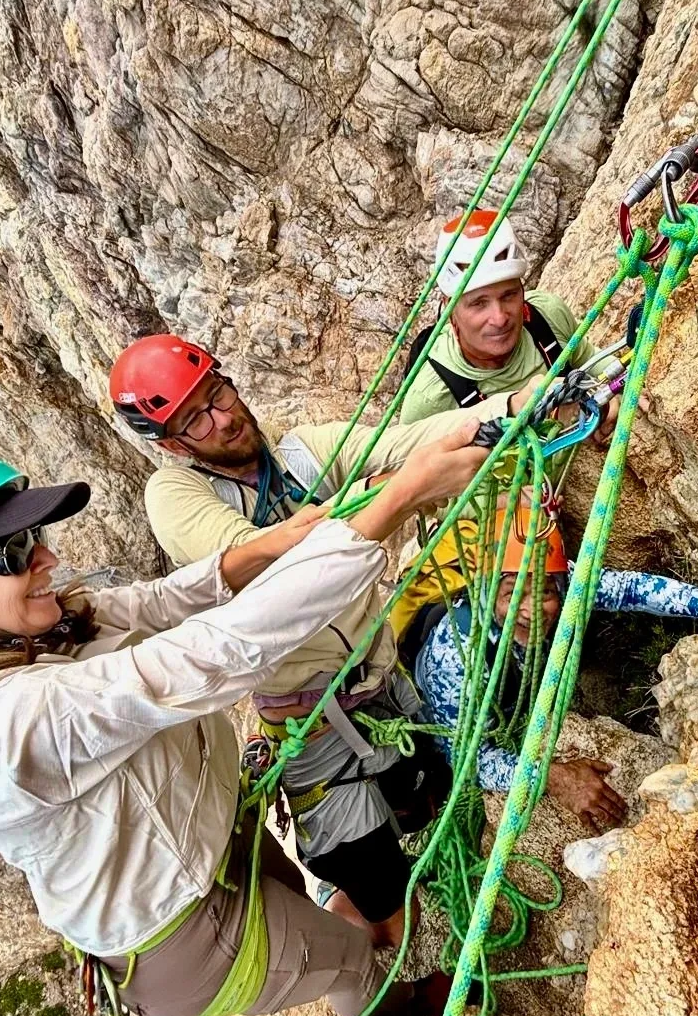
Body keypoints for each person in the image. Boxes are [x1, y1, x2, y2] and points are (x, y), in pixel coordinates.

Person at [0, 431, 487, 1016]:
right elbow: (209, 655)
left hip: (211, 842)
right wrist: (397, 502)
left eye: (34, 535)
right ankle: (395, 1009)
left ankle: (365, 966)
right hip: (182, 934)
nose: (45, 556)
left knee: (317, 924)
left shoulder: (21, 636)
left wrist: (274, 544)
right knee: (346, 956)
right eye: (12, 551)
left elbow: (156, 605)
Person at [109, 334, 540, 951]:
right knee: (382, 896)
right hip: (312, 724)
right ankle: (376, 969)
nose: (226, 417)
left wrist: (513, 404)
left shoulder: (300, 451)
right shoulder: (175, 496)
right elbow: (272, 564)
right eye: (198, 417)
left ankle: (394, 846)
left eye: (218, 392)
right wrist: (399, 489)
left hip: (381, 682)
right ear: (176, 444)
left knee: (427, 797)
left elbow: (398, 440)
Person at [411, 496, 698, 830]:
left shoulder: (556, 576)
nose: (531, 609)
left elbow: (627, 589)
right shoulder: (455, 656)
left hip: (513, 692)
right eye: (512, 595)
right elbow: (466, 760)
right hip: (451, 724)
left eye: (544, 593)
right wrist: (551, 777)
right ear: (486, 590)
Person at [399, 208, 581, 424]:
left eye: (509, 295)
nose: (499, 318)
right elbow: (413, 457)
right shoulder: (430, 397)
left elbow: (592, 361)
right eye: (479, 303)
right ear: (450, 309)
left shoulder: (548, 318)